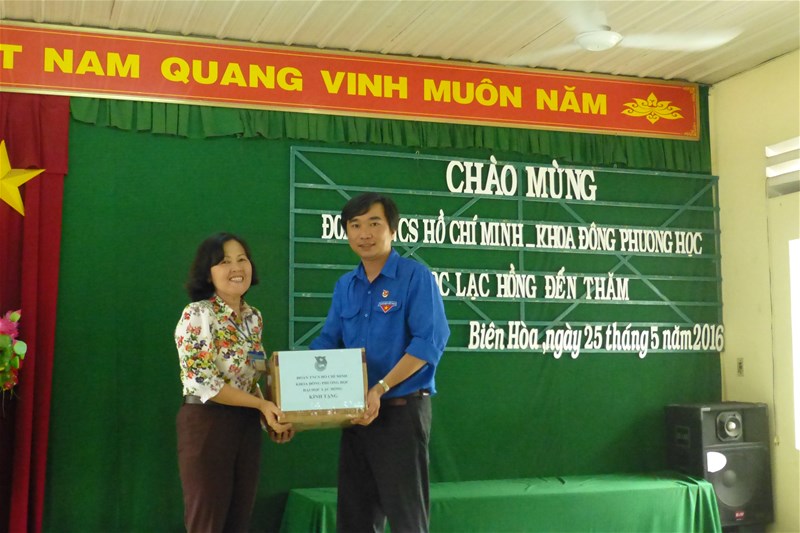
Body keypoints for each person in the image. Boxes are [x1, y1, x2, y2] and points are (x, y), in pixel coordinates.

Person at [310, 193, 450, 533]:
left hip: (400, 413)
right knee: (355, 520)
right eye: (355, 225)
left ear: (392, 229)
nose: (364, 234)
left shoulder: (416, 277)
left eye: (374, 223)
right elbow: (328, 341)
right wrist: (294, 393)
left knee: (407, 521)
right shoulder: (345, 286)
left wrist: (381, 387)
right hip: (356, 416)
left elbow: (428, 343)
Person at [174, 232, 293, 533]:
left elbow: (250, 379)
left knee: (238, 521)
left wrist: (271, 418)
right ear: (208, 272)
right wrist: (261, 406)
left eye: (242, 259)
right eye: (225, 261)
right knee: (208, 522)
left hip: (246, 426)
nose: (236, 268)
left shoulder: (253, 318)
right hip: (207, 423)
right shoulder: (198, 314)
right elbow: (202, 380)